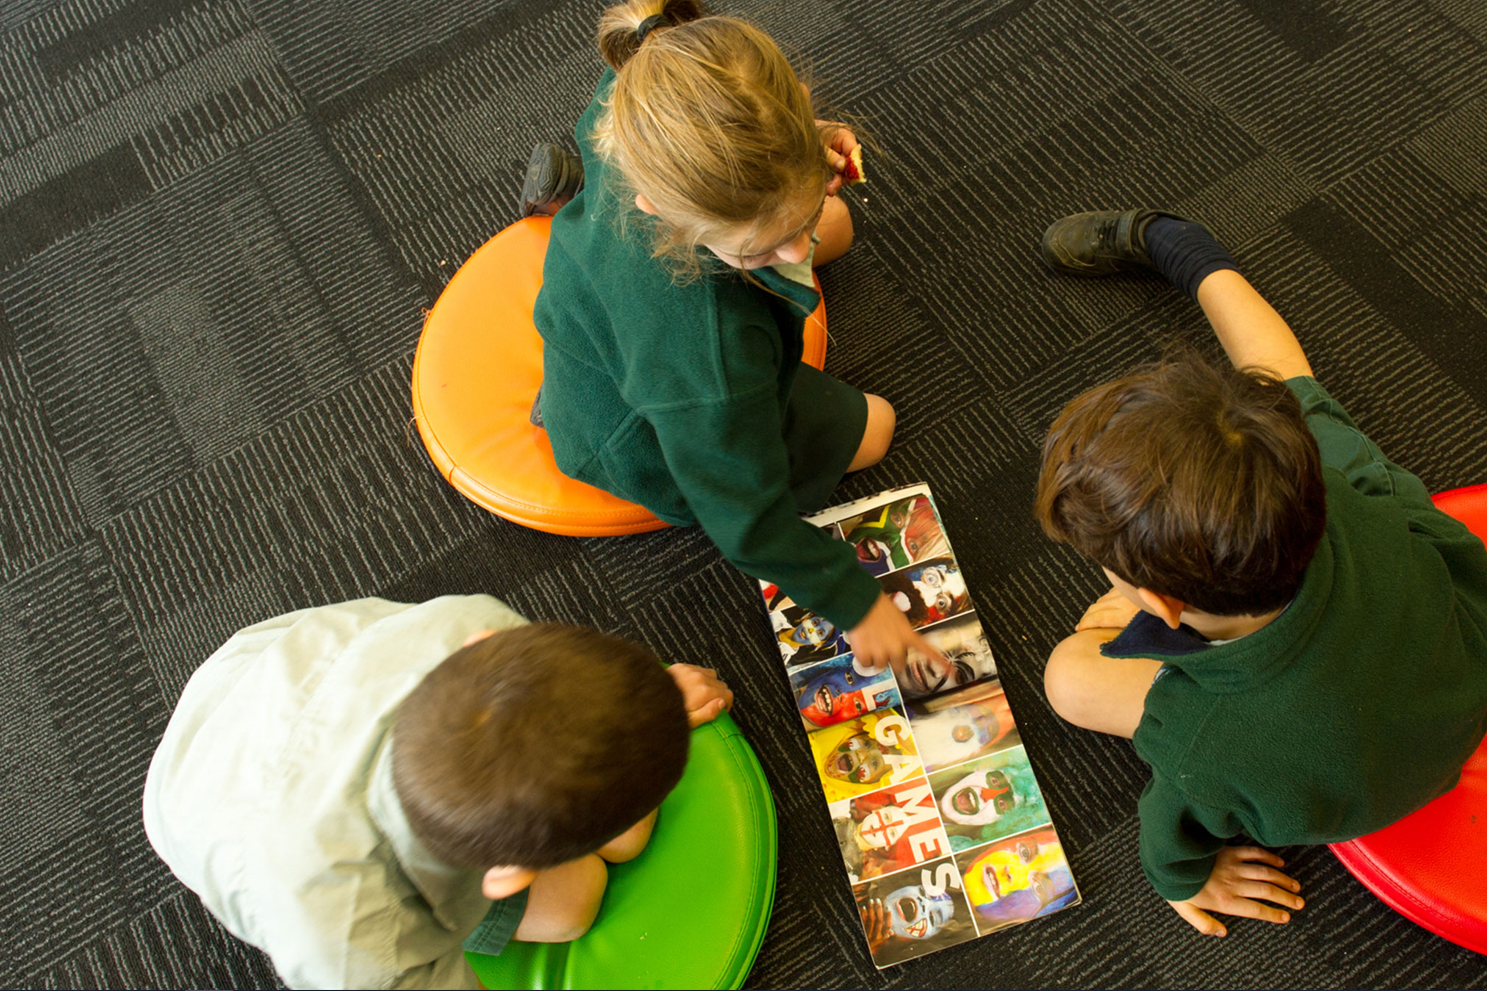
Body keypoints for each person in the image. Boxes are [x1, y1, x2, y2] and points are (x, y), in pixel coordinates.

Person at [1034, 209, 1487, 937]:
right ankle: (1185, 252)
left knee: (1067, 674)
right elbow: (1280, 378)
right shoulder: (1329, 481)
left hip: (1350, 770)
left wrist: (1186, 876)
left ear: (1159, 601)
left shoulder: (1201, 739)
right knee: (1288, 380)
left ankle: (1181, 246)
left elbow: (1172, 826)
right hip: (1462, 664)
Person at [524, 0, 942, 675]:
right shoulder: (710, 364)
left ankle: (595, 359)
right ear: (659, 208)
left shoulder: (636, 102)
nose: (795, 248)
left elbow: (785, 213)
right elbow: (744, 520)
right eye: (764, 248)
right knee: (878, 428)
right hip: (641, 432)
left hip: (588, 312)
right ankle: (577, 409)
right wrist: (854, 602)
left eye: (795, 217)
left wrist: (809, 144)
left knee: (838, 230)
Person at [141, 596, 733, 989]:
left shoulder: (477, 624)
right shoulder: (356, 946)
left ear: (479, 644)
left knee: (618, 843)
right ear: (500, 874)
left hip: (265, 680)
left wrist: (650, 711)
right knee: (574, 905)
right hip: (211, 808)